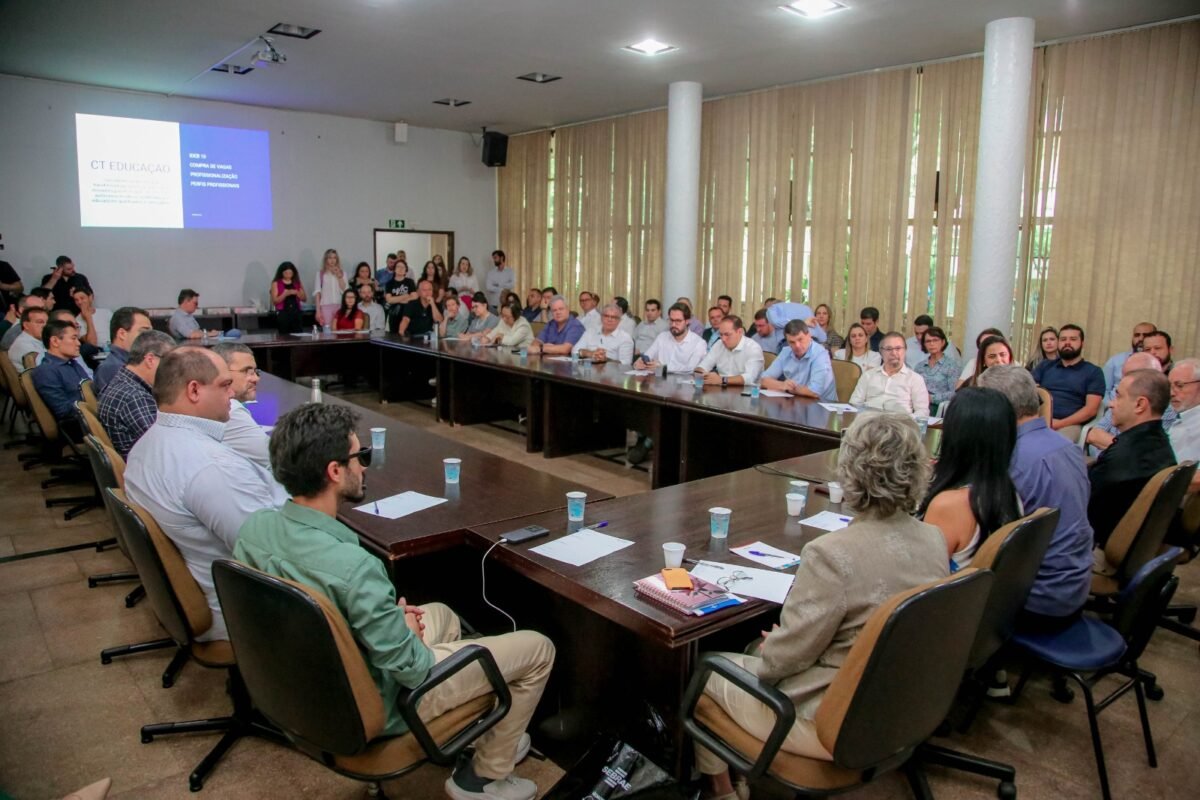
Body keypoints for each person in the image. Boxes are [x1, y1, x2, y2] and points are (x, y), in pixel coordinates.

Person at [235, 403, 554, 800]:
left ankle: (472, 737)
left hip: (311, 682)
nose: (365, 466)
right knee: (539, 649)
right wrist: (403, 632)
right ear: (335, 472)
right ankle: (483, 779)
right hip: (377, 702)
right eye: (360, 456)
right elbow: (414, 670)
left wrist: (391, 622)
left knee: (441, 615)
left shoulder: (253, 530)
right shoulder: (355, 567)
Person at [694, 412, 947, 798]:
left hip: (827, 718)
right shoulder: (934, 539)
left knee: (703, 670)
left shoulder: (831, 554)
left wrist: (775, 643)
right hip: (899, 706)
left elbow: (781, 662)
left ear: (851, 472)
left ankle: (723, 790)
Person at [125, 347, 287, 642]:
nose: (232, 394)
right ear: (194, 390)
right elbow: (276, 554)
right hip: (239, 608)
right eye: (225, 385)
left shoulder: (144, 446)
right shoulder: (212, 467)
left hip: (197, 589)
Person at [977, 365, 1093, 635]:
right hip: (1075, 586)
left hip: (1037, 600)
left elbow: (988, 540)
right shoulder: (1069, 448)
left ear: (998, 409)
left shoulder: (1013, 460)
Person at [918, 387, 1022, 569]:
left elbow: (920, 576)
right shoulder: (1010, 492)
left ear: (954, 437)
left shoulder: (949, 505)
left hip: (945, 595)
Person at [1087, 369, 1176, 548]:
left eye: (1118, 396)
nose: (1111, 404)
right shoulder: (1162, 444)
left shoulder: (1121, 458)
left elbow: (1083, 508)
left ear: (1140, 405)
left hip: (1099, 547)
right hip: (1143, 546)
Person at [97, 331, 176, 458]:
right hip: (147, 468)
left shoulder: (122, 381)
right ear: (150, 360)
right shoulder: (134, 397)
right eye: (170, 363)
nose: (173, 370)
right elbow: (166, 448)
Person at [1083, 353, 1174, 455]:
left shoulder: (1162, 411)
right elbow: (1093, 435)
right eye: (1123, 376)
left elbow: (1142, 454)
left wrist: (1110, 445)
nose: (1123, 381)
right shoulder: (1119, 401)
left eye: (1130, 376)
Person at [1032, 324, 1105, 441]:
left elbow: (1091, 410)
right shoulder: (1045, 366)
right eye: (1063, 339)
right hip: (1039, 419)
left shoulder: (1093, 372)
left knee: (1056, 448)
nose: (1067, 343)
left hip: (1069, 425)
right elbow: (1030, 393)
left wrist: (1059, 424)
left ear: (1082, 343)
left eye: (1073, 339)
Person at [211, 342, 272, 471]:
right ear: (221, 371)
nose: (256, 379)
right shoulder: (229, 409)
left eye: (255, 372)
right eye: (247, 371)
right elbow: (274, 456)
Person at [29, 319, 91, 440]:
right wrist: (93, 407)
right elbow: (63, 411)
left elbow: (90, 389)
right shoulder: (46, 371)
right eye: (73, 338)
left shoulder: (72, 363)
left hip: (89, 416)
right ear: (55, 341)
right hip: (78, 425)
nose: (78, 343)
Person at [849, 332, 930, 415]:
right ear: (881, 352)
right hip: (869, 422)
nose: (894, 353)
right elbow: (854, 403)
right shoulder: (868, 375)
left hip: (900, 423)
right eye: (888, 349)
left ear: (905, 350)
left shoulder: (915, 379)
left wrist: (908, 423)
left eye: (898, 348)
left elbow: (922, 411)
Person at [759, 320, 836, 401]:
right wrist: (782, 385)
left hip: (821, 406)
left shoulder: (820, 354)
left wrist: (788, 389)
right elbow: (763, 380)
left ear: (809, 335)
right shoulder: (786, 352)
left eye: (800, 339)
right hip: (795, 403)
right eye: (792, 342)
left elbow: (814, 391)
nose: (797, 346)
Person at [636, 302, 707, 374]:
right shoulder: (662, 337)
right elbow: (648, 355)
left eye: (678, 321)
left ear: (687, 321)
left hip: (683, 383)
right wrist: (640, 362)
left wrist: (663, 368)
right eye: (671, 320)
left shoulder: (699, 343)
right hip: (659, 382)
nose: (673, 324)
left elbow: (691, 368)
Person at [95, 307, 153, 395]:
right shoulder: (112, 368)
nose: (151, 338)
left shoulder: (130, 363)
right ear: (122, 334)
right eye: (144, 332)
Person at [695, 316, 764, 387]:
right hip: (721, 390)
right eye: (721, 334)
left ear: (740, 332)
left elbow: (750, 378)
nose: (723, 339)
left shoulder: (753, 348)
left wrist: (722, 380)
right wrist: (701, 374)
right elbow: (703, 366)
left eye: (727, 334)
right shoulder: (719, 344)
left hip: (746, 392)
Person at [1167, 358, 1200, 494]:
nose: (1172, 393)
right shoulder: (1181, 418)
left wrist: (1154, 482)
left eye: (1179, 385)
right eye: (1170, 386)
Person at [913, 326, 960, 408]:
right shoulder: (919, 366)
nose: (931, 344)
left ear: (943, 342)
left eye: (935, 340)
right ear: (924, 344)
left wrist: (931, 398)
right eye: (928, 341)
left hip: (941, 409)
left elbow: (954, 393)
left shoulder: (951, 366)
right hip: (918, 406)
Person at [1102, 321, 1156, 392]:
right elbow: (1104, 390)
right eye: (1137, 335)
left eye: (1146, 335)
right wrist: (1110, 403)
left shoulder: (1158, 362)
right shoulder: (1115, 361)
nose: (1140, 339)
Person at [269, 261, 307, 335]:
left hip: (296, 313)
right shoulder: (276, 283)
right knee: (284, 335)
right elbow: (275, 301)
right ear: (282, 273)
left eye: (290, 273)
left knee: (298, 335)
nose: (288, 275)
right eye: (286, 273)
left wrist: (297, 293)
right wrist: (285, 294)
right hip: (283, 314)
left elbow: (304, 298)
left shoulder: (297, 282)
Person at [314, 248, 347, 329]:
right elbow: (317, 293)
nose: (332, 260)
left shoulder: (343, 273)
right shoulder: (320, 274)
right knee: (327, 331)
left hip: (340, 305)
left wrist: (339, 276)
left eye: (334, 258)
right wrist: (318, 311)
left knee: (340, 330)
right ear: (326, 259)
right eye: (330, 258)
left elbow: (345, 290)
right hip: (325, 306)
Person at [8, 307, 48, 373]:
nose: (45, 326)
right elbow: (47, 370)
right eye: (40, 322)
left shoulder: (38, 338)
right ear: (26, 325)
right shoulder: (24, 345)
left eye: (47, 322)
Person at [383, 259, 419, 329]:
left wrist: (396, 299)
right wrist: (405, 296)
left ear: (406, 270)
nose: (400, 269)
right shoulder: (389, 283)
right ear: (394, 269)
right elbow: (389, 300)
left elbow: (415, 296)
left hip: (408, 313)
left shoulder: (410, 282)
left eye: (403, 267)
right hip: (394, 314)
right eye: (398, 267)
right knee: (394, 336)